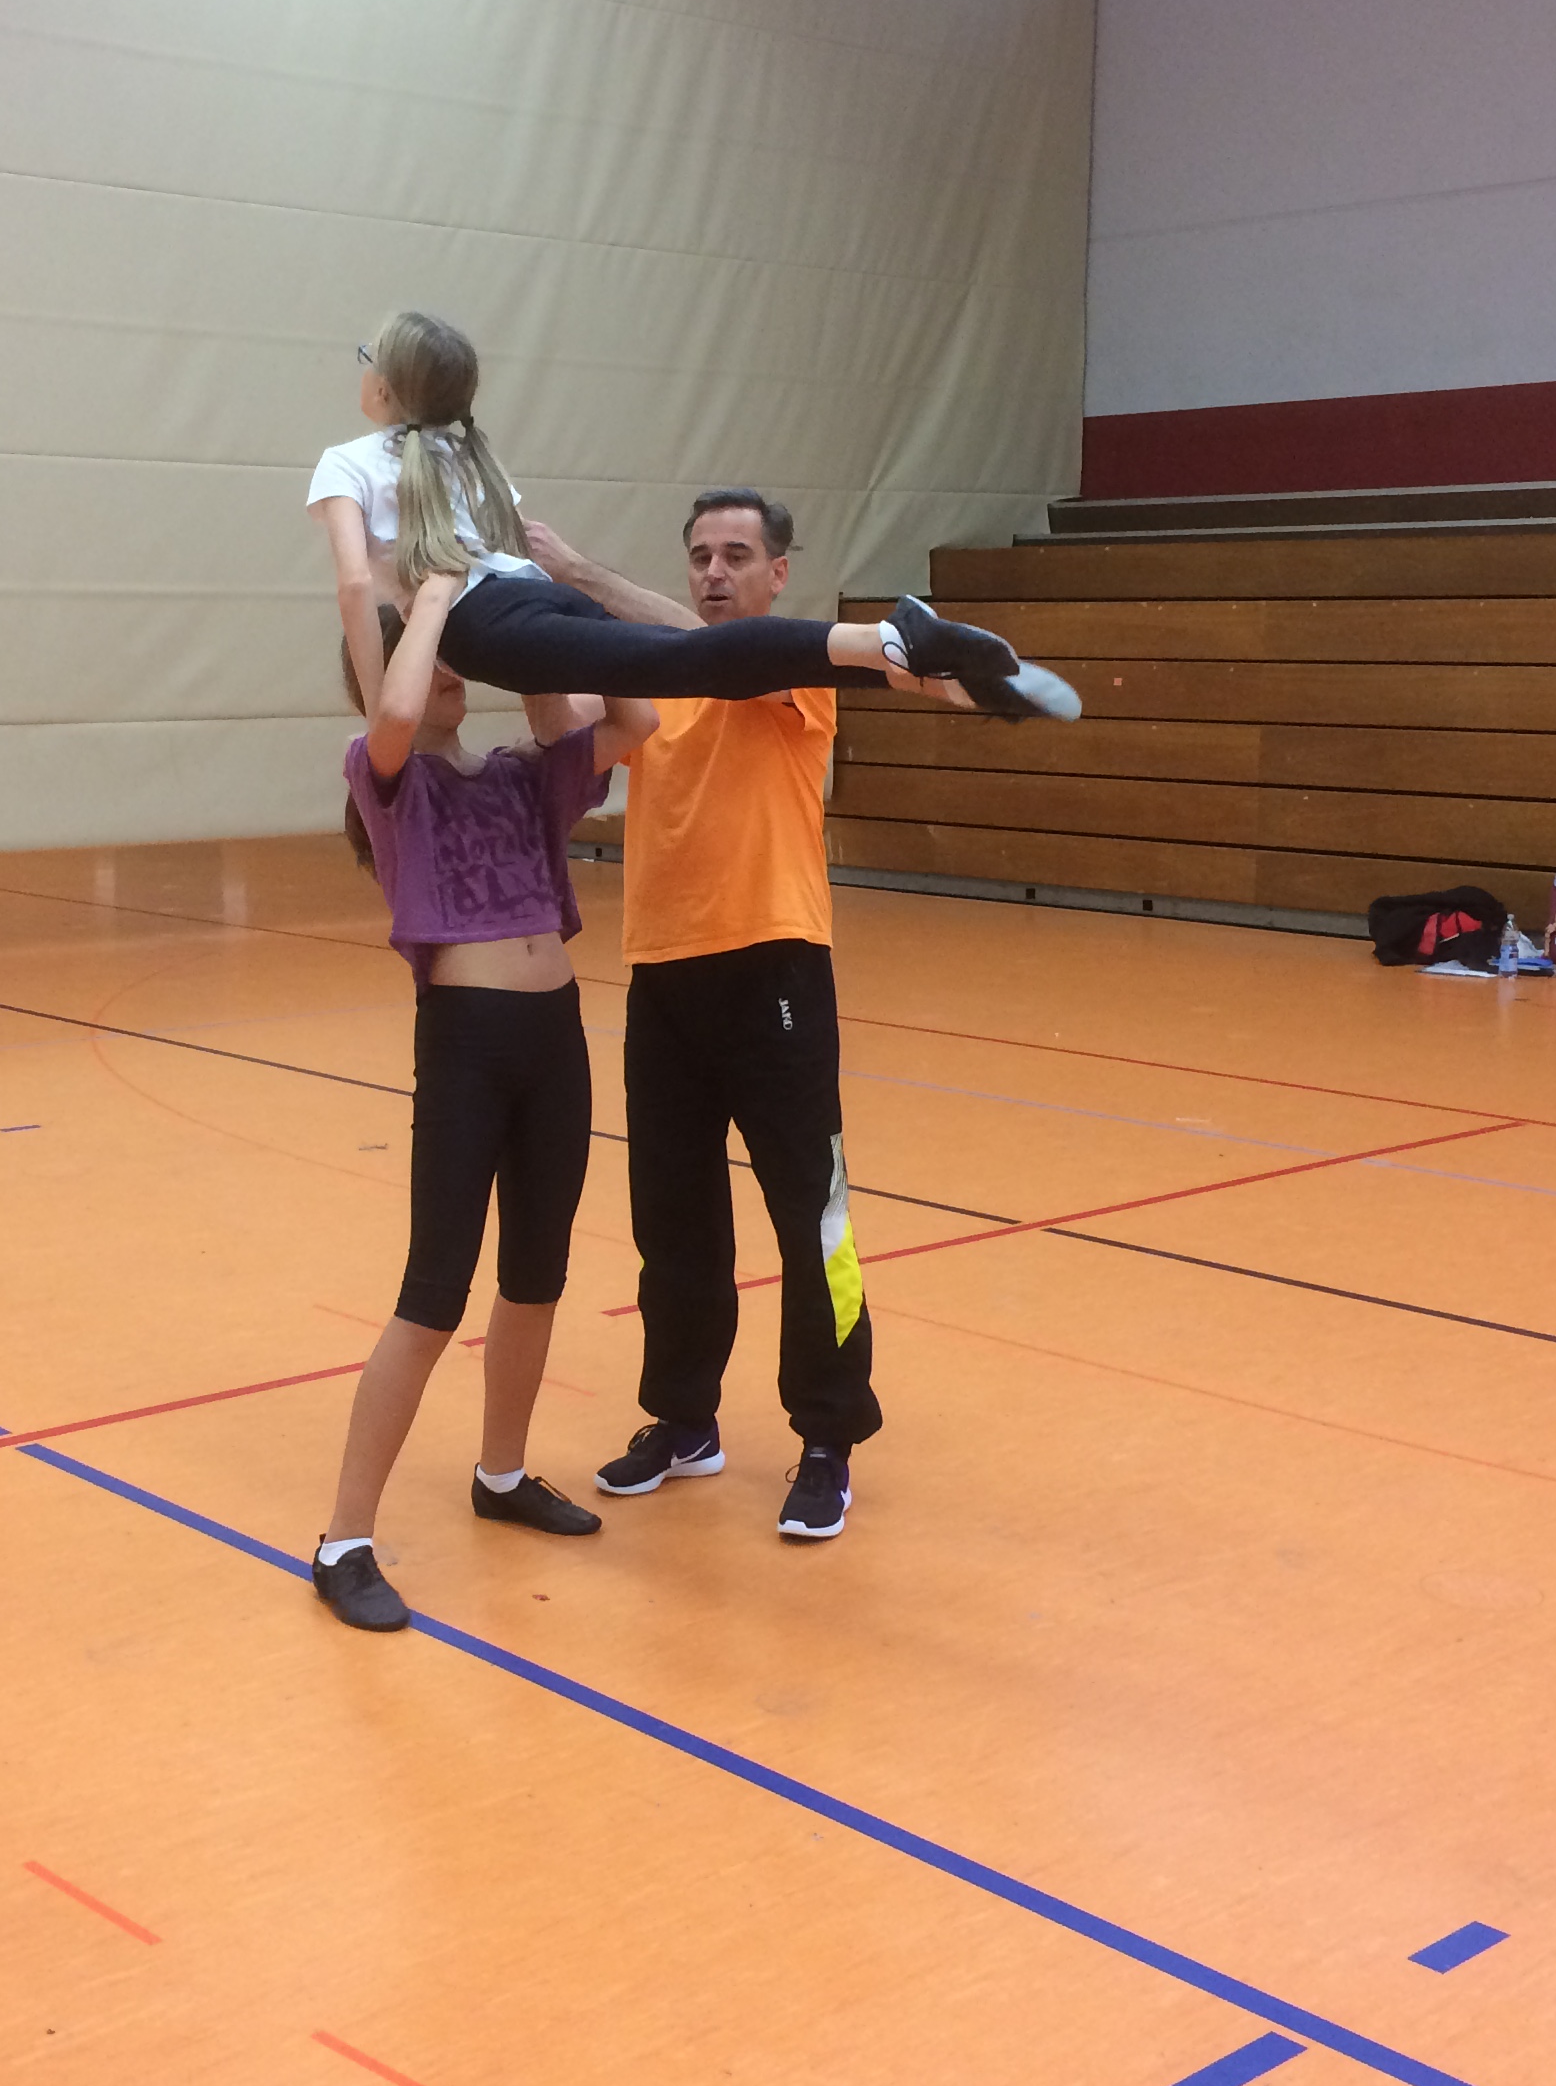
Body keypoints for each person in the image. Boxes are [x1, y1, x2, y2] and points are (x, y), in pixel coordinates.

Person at [518, 493, 889, 1541]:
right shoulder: (657, 681)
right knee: (672, 1220)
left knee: (811, 1218)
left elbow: (722, 659)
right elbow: (567, 738)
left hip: (775, 969)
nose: (714, 572)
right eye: (700, 557)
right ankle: (685, 1420)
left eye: (736, 555)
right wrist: (516, 619)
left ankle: (828, 1436)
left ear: (779, 573)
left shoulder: (797, 666)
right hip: (664, 976)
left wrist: (582, 575)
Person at [312, 576, 659, 1632]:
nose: (456, 668)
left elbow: (636, 720)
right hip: (468, 1042)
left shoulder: (518, 773)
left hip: (555, 1040)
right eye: (440, 654)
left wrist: (549, 621)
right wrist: (431, 597)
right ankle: (344, 1540)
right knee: (433, 1294)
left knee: (537, 1273)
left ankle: (500, 1475)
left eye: (468, 653)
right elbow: (398, 713)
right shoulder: (384, 777)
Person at [307, 311, 1077, 728]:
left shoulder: (350, 462)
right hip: (530, 603)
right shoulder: (473, 460)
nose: (362, 370)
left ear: (387, 387)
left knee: (688, 661)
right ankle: (921, 673)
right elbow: (521, 575)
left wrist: (379, 710)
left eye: (367, 358)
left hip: (489, 629)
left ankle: (893, 642)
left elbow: (354, 589)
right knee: (688, 658)